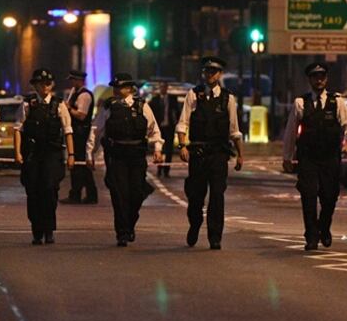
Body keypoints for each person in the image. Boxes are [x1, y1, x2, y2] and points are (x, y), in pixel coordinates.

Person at [281, 61, 347, 251]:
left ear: (326, 79)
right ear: (310, 80)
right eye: (315, 77)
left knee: (329, 196)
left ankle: (324, 227)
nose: (319, 80)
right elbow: (291, 132)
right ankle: (311, 236)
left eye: (322, 77)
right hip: (308, 158)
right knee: (308, 196)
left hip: (330, 157)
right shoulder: (301, 103)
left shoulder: (337, 102)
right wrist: (287, 157)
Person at [86, 73, 163, 247]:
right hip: (116, 155)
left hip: (136, 155)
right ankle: (122, 232)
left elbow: (154, 130)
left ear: (129, 89)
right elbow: (96, 130)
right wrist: (90, 152)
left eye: (119, 87)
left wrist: (158, 149)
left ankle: (130, 223)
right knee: (119, 194)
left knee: (136, 193)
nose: (116, 90)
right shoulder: (109, 107)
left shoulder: (142, 106)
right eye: (115, 87)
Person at [175, 57, 244, 250]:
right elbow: (183, 122)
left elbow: (234, 129)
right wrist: (182, 146)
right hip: (198, 153)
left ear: (220, 74)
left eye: (214, 72)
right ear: (203, 73)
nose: (210, 75)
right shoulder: (193, 94)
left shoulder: (227, 98)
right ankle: (195, 224)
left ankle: (215, 236)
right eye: (207, 71)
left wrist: (240, 155)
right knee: (196, 196)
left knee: (217, 195)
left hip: (218, 154)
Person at [16, 69, 75, 244]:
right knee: (33, 191)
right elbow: (18, 129)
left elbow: (67, 130)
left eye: (48, 83)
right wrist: (18, 152)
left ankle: (49, 229)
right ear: (35, 85)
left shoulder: (59, 105)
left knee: (50, 190)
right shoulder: (28, 104)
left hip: (52, 153)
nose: (45, 87)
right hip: (33, 154)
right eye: (41, 83)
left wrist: (71, 154)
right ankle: (37, 229)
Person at [62, 70, 97, 204]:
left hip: (81, 134)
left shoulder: (84, 96)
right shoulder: (76, 94)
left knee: (79, 165)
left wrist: (68, 109)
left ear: (79, 80)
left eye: (73, 80)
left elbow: (82, 115)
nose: (71, 83)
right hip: (77, 133)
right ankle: (88, 194)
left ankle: (77, 194)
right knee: (80, 166)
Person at [149, 81, 179, 177]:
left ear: (167, 88)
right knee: (159, 149)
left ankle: (166, 171)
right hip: (159, 128)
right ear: (160, 88)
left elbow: (177, 112)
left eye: (165, 87)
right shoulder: (154, 100)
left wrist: (175, 122)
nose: (163, 89)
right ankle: (159, 169)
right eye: (162, 87)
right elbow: (150, 114)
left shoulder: (172, 99)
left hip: (169, 127)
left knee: (169, 150)